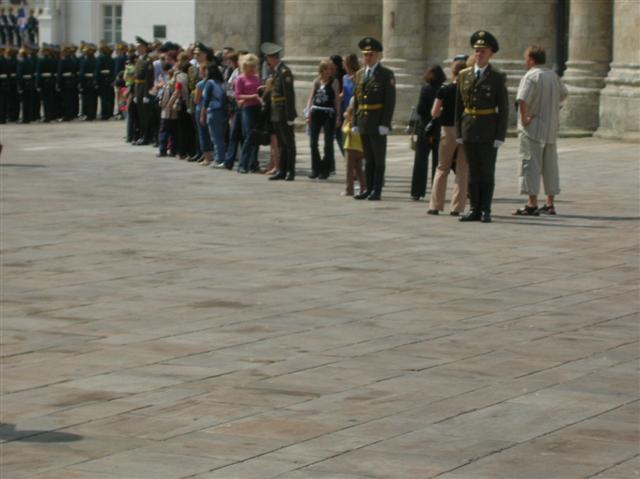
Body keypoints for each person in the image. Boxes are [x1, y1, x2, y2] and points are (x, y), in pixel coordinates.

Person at [455, 30, 508, 223]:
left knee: (486, 171)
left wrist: (499, 135)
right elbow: (459, 107)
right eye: (476, 50)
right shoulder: (464, 75)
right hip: (469, 128)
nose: (479, 54)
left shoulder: (497, 77)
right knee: (472, 172)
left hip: (488, 130)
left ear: (490, 53)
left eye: (483, 51)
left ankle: (486, 209)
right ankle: (474, 208)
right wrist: (459, 132)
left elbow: (503, 108)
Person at [513, 45, 569, 216]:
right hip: (550, 126)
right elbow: (564, 94)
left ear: (531, 60)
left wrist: (524, 119)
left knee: (530, 164)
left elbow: (522, 99)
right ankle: (550, 203)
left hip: (533, 127)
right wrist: (553, 107)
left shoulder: (531, 76)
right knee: (550, 165)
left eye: (525, 58)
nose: (525, 61)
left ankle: (532, 203)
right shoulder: (553, 75)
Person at [352, 37, 396, 201]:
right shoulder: (360, 74)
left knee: (378, 159)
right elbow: (357, 100)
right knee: (368, 159)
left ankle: (377, 190)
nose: (368, 58)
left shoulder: (385, 74)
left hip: (377, 122)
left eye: (371, 54)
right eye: (365, 55)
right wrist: (355, 122)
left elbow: (389, 101)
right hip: (363, 121)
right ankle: (367, 188)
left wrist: (385, 123)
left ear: (377, 55)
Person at [428, 59, 469, 216]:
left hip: (448, 129)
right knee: (462, 169)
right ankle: (456, 207)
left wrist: (444, 110)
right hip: (464, 130)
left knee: (442, 167)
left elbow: (434, 112)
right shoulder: (467, 89)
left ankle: (435, 205)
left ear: (453, 72)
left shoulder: (445, 89)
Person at [261, 42, 297, 181]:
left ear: (272, 58)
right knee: (281, 144)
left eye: (268, 58)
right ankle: (282, 170)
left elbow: (289, 95)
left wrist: (290, 116)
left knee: (289, 143)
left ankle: (290, 171)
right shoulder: (276, 72)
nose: (267, 61)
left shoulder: (284, 72)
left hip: (283, 113)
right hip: (276, 112)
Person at [410, 65, 446, 200]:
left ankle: (417, 191)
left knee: (420, 161)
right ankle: (436, 192)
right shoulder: (444, 89)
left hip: (425, 129)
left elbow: (420, 109)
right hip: (439, 129)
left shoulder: (426, 89)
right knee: (438, 163)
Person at [305, 58, 341, 180]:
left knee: (328, 143)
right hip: (316, 112)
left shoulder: (334, 82)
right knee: (313, 142)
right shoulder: (316, 81)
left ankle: (325, 169)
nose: (328, 71)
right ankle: (315, 168)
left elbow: (336, 99)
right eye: (326, 69)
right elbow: (311, 97)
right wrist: (308, 113)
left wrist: (338, 116)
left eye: (330, 69)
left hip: (328, 113)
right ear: (321, 69)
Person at [235, 53, 262, 173]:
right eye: (250, 66)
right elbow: (238, 95)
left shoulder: (257, 77)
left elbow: (260, 92)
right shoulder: (240, 78)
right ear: (244, 66)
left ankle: (253, 164)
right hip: (247, 108)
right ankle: (243, 164)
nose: (252, 68)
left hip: (258, 107)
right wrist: (253, 96)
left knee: (257, 136)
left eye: (254, 66)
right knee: (249, 135)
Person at [201, 62, 227, 166]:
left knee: (215, 137)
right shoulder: (221, 83)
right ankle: (221, 157)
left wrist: (202, 115)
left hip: (213, 111)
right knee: (220, 136)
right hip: (222, 111)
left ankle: (219, 159)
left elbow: (206, 101)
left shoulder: (209, 83)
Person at [133, 36, 155, 145]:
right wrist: (135, 94)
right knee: (140, 115)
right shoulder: (139, 59)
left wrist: (146, 94)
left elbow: (148, 79)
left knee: (145, 116)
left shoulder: (148, 60)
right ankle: (141, 136)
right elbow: (136, 78)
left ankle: (145, 137)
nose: (137, 49)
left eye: (139, 47)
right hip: (138, 90)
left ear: (144, 48)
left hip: (144, 90)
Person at [342, 98, 366, 196]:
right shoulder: (362, 124)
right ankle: (363, 188)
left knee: (349, 171)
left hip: (351, 149)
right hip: (361, 149)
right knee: (359, 170)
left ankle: (349, 190)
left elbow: (344, 130)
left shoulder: (351, 125)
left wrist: (346, 119)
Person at [36, 43, 57, 122]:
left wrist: (38, 84)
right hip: (51, 82)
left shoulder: (41, 61)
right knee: (51, 100)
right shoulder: (53, 60)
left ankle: (47, 117)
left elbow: (39, 74)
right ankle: (51, 116)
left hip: (44, 82)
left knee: (45, 101)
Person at [96, 41, 115, 120]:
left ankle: (104, 114)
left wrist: (96, 81)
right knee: (109, 98)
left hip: (102, 81)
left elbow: (97, 70)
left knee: (104, 98)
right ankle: (109, 113)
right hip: (109, 80)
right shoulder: (111, 59)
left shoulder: (100, 58)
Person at [79, 43, 98, 121]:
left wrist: (81, 84)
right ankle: (93, 114)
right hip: (94, 82)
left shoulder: (84, 61)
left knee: (86, 99)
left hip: (86, 82)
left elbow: (82, 74)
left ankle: (87, 114)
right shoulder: (96, 60)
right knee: (93, 99)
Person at [16, 46, 35, 123]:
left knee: (24, 102)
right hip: (30, 83)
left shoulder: (21, 62)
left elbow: (19, 75)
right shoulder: (31, 62)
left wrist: (19, 86)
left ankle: (25, 118)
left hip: (24, 83)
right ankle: (29, 118)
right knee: (29, 101)